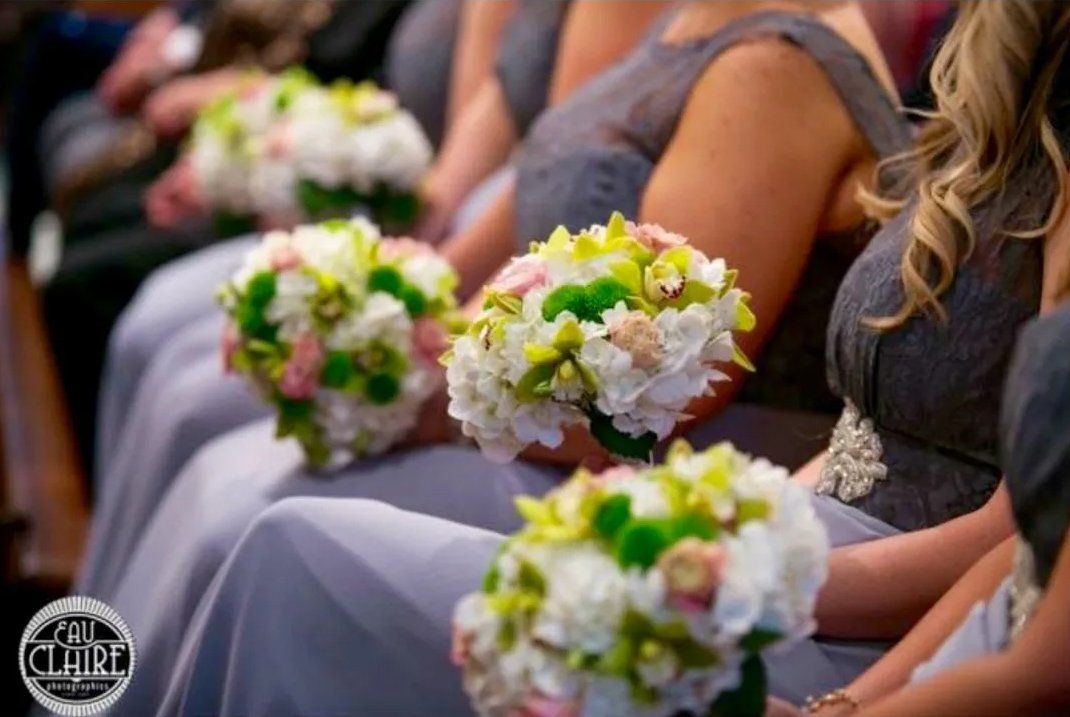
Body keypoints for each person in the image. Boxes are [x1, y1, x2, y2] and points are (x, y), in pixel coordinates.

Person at [145, 0, 1070, 711]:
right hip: (778, 520)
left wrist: (744, 569)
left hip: (848, 584)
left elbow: (1014, 536)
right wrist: (406, 339)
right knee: (242, 477)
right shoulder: (983, 129)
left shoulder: (781, 65)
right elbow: (863, 422)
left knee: (279, 538)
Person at [79, 0, 671, 600]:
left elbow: (555, 188)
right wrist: (404, 271)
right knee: (168, 351)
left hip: (553, 377)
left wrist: (431, 360)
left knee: (226, 484)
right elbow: (504, 151)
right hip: (481, 274)